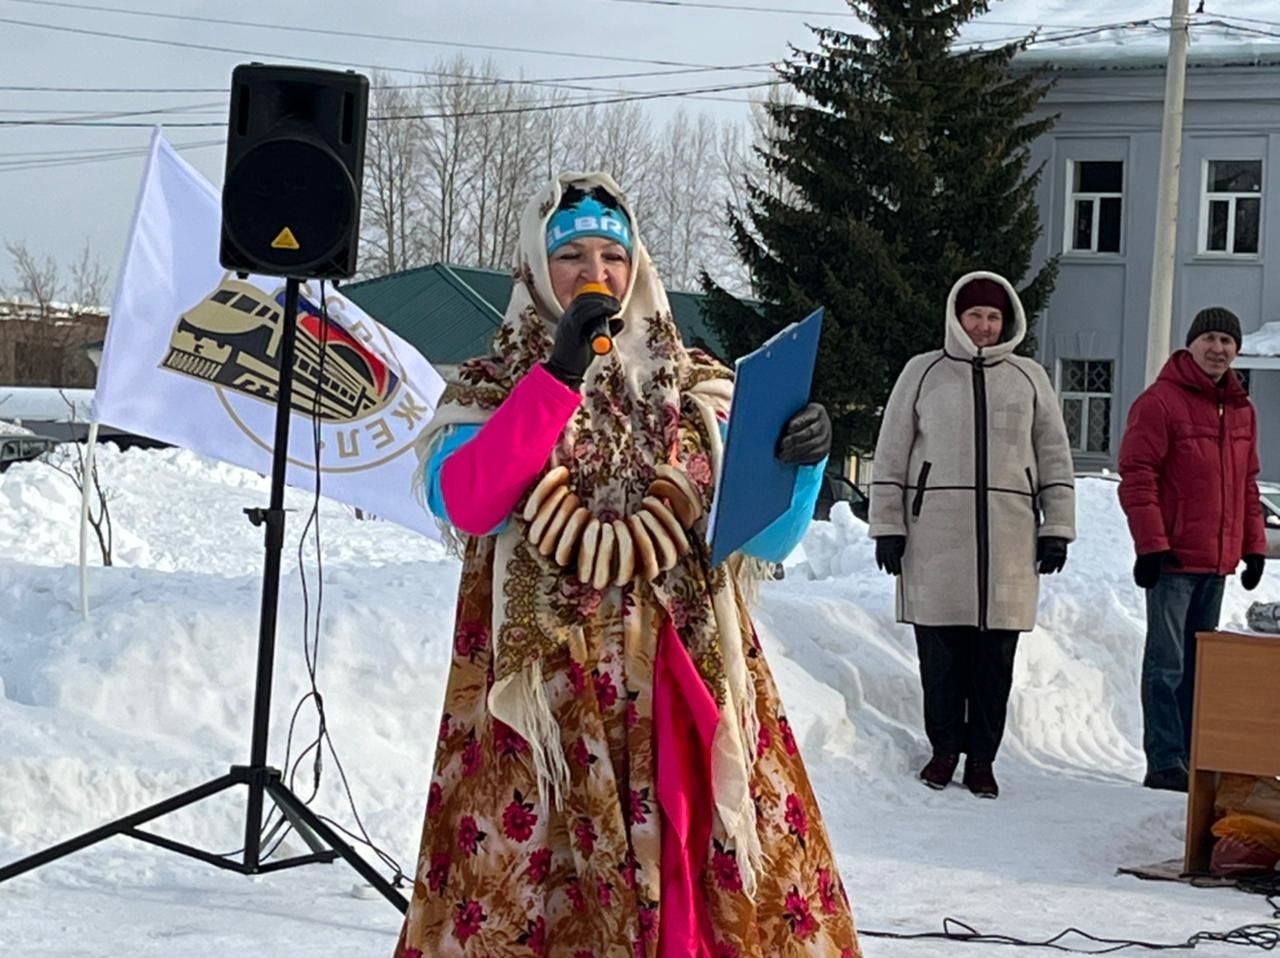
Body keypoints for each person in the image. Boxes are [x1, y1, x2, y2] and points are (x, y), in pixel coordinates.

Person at [395, 172, 862, 957]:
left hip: (678, 671)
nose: (595, 273)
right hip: (543, 694)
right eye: (571, 255)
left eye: (612, 254)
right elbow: (468, 500)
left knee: (701, 872)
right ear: (538, 273)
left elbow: (765, 541)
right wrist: (556, 380)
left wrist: (799, 463)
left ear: (637, 265)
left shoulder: (698, 389)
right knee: (531, 888)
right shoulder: (492, 385)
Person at [868, 272, 1076, 800]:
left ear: (1008, 323)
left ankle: (981, 759)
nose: (984, 326)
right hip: (935, 539)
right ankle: (943, 751)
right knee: (940, 659)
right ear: (956, 319)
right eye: (974, 316)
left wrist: (1056, 527)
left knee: (993, 664)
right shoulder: (923, 372)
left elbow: (1054, 454)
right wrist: (888, 526)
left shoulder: (1029, 378)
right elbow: (891, 451)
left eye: (993, 317)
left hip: (1009, 541)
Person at [1118, 306, 1267, 794]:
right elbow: (1138, 476)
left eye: (1227, 341)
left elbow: (1246, 483)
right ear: (1190, 344)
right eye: (1209, 339)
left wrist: (1254, 546)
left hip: (1217, 563)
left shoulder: (1242, 408)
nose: (1218, 349)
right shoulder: (1159, 402)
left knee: (1202, 670)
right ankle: (1164, 761)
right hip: (1175, 561)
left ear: (1237, 350)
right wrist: (1152, 546)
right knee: (1168, 664)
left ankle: (1191, 759)